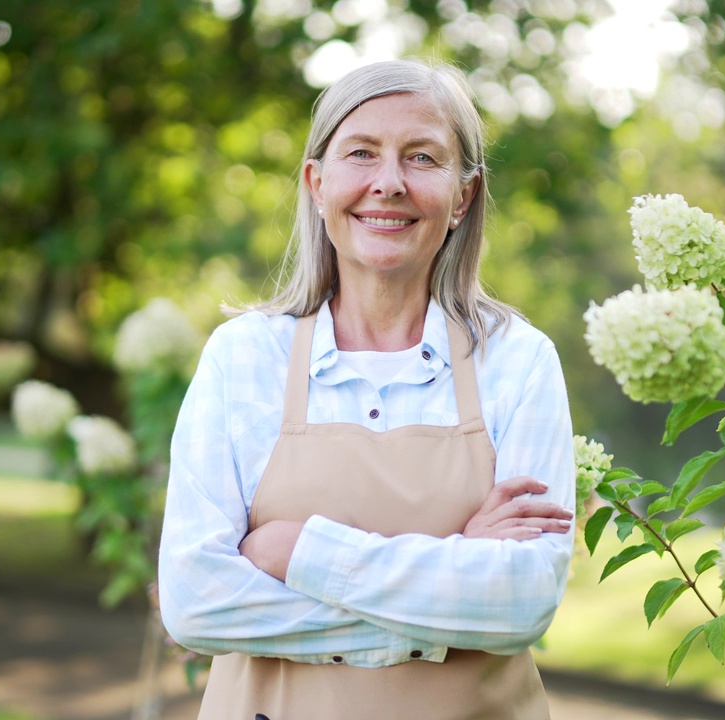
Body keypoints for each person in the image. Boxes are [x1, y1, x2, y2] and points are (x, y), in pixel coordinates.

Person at [157, 58, 576, 719]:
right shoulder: (244, 360)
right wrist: (456, 581)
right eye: (362, 153)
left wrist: (295, 550)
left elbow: (522, 602)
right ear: (317, 184)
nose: (388, 183)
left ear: (463, 195)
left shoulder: (517, 363)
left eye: (421, 157)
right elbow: (197, 603)